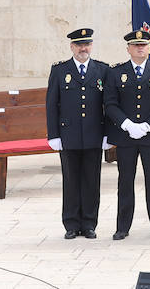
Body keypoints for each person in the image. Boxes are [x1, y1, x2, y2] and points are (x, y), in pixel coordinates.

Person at [104, 28, 150, 241]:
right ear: (128, 49)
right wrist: (127, 124)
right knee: (125, 181)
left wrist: (148, 126)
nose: (140, 48)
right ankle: (122, 227)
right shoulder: (116, 72)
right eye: (135, 45)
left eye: (143, 45)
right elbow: (110, 103)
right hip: (126, 136)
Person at [47, 27, 110, 239]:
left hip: (94, 135)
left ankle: (90, 223)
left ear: (91, 46)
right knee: (71, 181)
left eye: (87, 44)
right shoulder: (59, 70)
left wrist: (107, 134)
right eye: (79, 45)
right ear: (72, 47)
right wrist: (53, 135)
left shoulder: (102, 70)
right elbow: (51, 105)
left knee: (92, 181)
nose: (83, 48)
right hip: (69, 136)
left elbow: (108, 105)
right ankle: (71, 224)